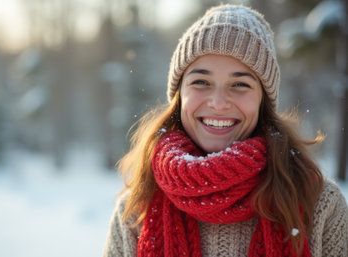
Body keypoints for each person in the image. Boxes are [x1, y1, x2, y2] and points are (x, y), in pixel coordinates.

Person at [102, 4, 348, 257]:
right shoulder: (135, 210)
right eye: (201, 82)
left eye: (240, 84)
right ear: (179, 95)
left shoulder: (319, 205)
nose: (218, 103)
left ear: (262, 100)